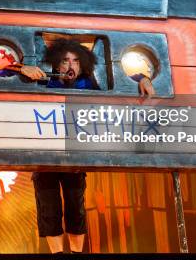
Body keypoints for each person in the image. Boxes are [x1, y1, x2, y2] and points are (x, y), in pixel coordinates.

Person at [19, 38, 154, 253]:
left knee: (76, 205)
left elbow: (124, 80)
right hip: (46, 153)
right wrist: (21, 69)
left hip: (75, 153)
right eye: (65, 61)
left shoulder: (90, 83)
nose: (70, 66)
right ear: (56, 64)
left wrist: (144, 78)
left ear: (82, 65)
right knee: (48, 206)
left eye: (75, 61)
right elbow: (1, 74)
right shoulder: (45, 81)